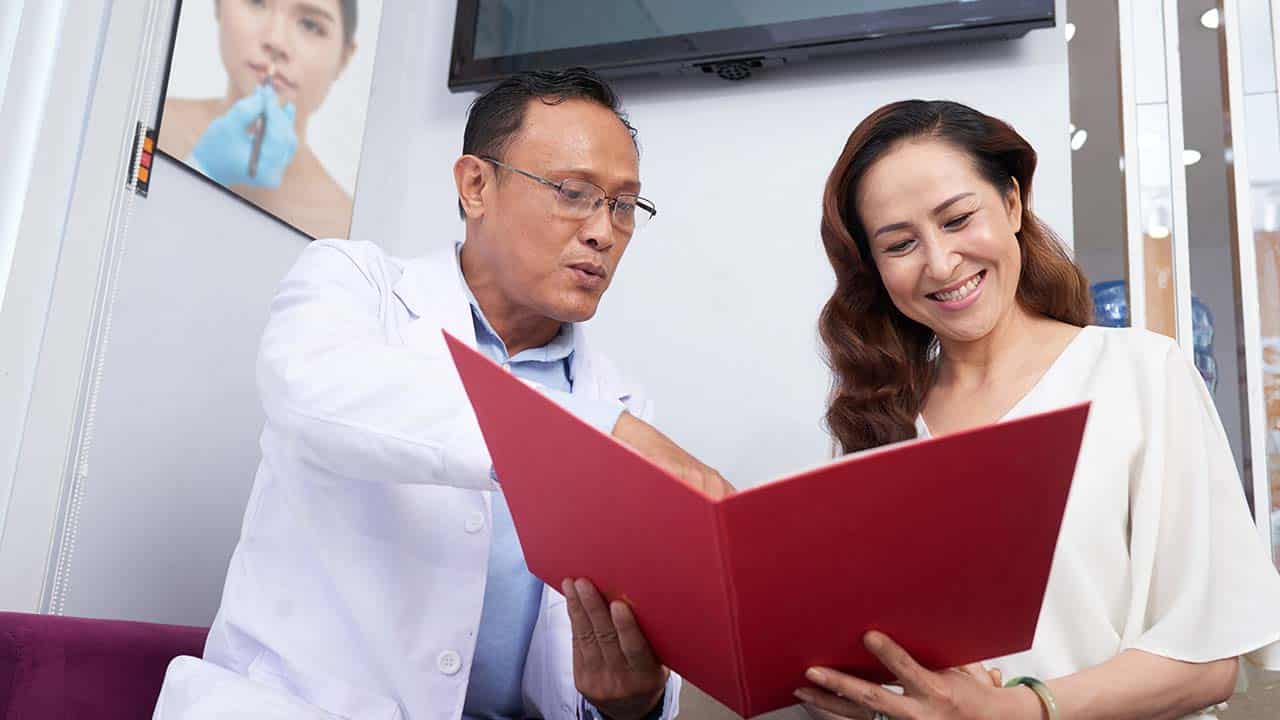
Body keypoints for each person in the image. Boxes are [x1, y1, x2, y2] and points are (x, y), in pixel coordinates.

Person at [153, 67, 733, 720]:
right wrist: (597, 437)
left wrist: (630, 703)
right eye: (574, 192)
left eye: (624, 205)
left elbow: (602, 671)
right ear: (476, 185)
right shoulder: (355, 286)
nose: (604, 231)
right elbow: (313, 394)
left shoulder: (623, 399)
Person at [794, 100, 1280, 720]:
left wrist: (1018, 710)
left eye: (958, 219)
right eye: (900, 244)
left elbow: (1209, 662)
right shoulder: (881, 421)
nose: (940, 263)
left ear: (1014, 203)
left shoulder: (1139, 373)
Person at [160, 0, 360, 239]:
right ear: (218, 6)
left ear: (343, 59)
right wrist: (200, 167)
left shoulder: (343, 230)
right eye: (257, 2)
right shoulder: (149, 122)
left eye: (309, 25)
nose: (276, 42)